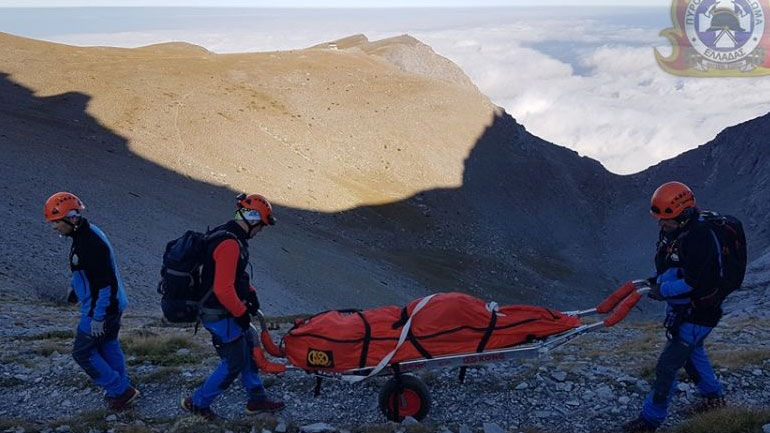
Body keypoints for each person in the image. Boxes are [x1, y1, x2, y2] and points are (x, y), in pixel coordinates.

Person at [623, 181, 745, 432]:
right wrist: (655, 282)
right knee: (692, 354)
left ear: (685, 214)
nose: (661, 224)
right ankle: (714, 398)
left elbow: (693, 283)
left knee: (667, 366)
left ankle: (650, 420)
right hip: (687, 311)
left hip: (699, 313)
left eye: (666, 219)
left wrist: (661, 290)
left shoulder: (701, 239)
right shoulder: (678, 231)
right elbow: (673, 268)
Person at [181, 193, 285, 420]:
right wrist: (240, 314)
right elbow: (223, 289)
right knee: (233, 362)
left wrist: (251, 294)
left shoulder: (227, 234)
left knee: (248, 345)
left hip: (221, 310)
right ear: (252, 219)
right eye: (262, 226)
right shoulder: (229, 244)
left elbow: (235, 275)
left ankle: (256, 398)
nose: (260, 232)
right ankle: (197, 403)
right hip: (219, 314)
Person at [44, 192, 139, 411]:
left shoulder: (89, 244)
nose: (54, 227)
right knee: (107, 344)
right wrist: (74, 288)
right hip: (113, 304)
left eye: (56, 222)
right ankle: (123, 389)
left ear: (71, 217)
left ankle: (121, 390)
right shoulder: (86, 234)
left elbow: (104, 285)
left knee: (82, 352)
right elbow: (90, 274)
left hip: (101, 309)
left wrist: (97, 317)